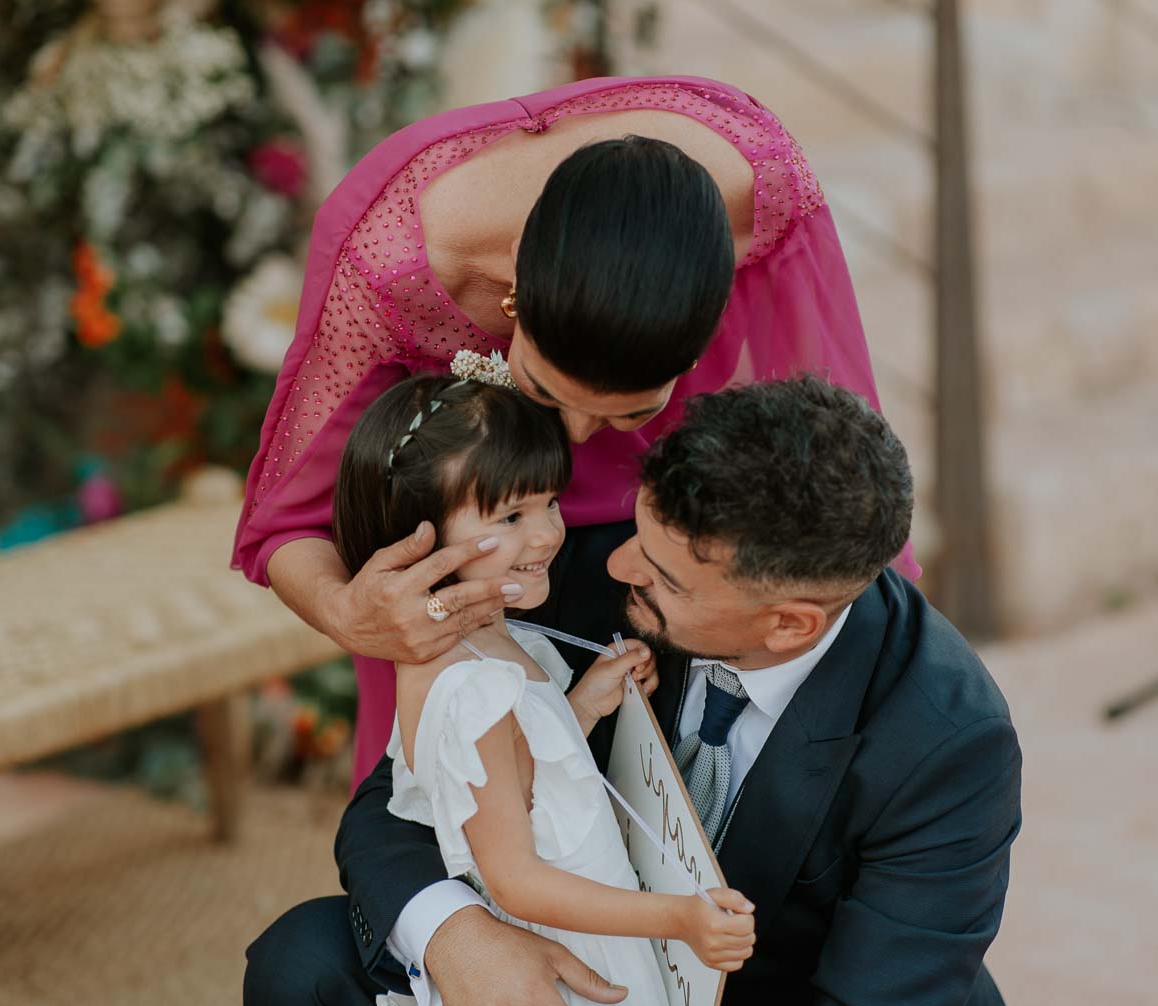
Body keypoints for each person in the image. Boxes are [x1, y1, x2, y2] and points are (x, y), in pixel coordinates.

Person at [244, 376, 1022, 1006]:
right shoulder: (617, 556)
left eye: (658, 574)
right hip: (601, 962)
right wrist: (461, 940)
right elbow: (396, 800)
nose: (610, 565)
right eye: (630, 536)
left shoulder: (947, 740)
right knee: (305, 967)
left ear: (787, 621)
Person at [232, 75, 915, 795]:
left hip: (672, 561)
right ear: (514, 301)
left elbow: (832, 472)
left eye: (629, 413)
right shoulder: (386, 262)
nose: (578, 437)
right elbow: (290, 524)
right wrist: (353, 617)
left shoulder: (761, 195)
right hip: (475, 577)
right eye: (543, 393)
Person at [301, 364, 756, 1006]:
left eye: (547, 500)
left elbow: (525, 780)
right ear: (413, 538)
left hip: (569, 977)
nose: (545, 532)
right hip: (553, 992)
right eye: (505, 514)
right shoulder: (473, 685)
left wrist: (585, 701)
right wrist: (676, 916)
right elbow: (514, 879)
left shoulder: (489, 645)